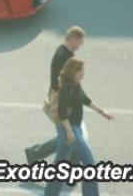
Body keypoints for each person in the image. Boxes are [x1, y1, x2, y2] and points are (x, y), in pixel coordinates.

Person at [44, 58, 114, 196]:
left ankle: (50, 193)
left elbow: (86, 100)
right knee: (89, 163)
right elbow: (62, 112)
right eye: (81, 70)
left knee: (60, 164)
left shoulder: (76, 84)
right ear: (74, 71)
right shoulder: (67, 87)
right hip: (70, 130)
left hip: (74, 129)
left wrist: (103, 113)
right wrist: (70, 132)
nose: (84, 73)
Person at [25, 26, 86, 164]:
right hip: (62, 103)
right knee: (68, 136)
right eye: (80, 42)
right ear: (73, 40)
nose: (81, 45)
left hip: (61, 100)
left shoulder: (62, 51)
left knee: (66, 136)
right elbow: (64, 83)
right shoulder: (65, 57)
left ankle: (35, 154)